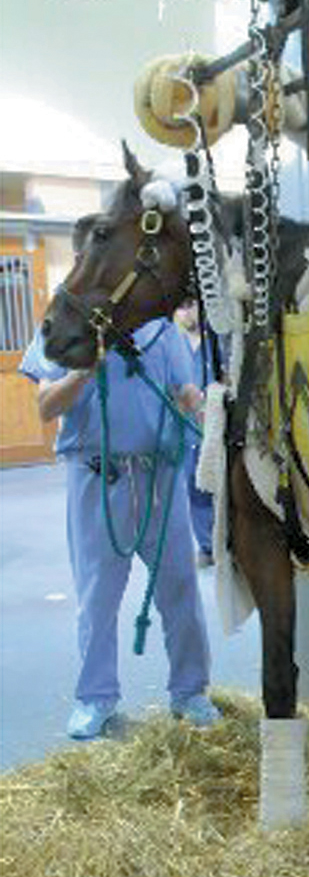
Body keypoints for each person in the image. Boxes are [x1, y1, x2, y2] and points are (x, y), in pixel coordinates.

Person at [19, 318, 221, 740]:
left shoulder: (163, 332)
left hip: (160, 478)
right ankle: (96, 698)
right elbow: (45, 407)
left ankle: (190, 691)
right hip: (97, 477)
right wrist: (85, 369)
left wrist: (197, 404)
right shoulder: (63, 325)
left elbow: (186, 393)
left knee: (181, 588)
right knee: (97, 597)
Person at [174, 301, 214, 565]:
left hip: (215, 424)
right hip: (185, 431)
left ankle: (225, 543)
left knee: (221, 485)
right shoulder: (173, 344)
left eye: (192, 306)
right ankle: (207, 546)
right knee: (194, 487)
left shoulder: (216, 342)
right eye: (182, 308)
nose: (188, 313)